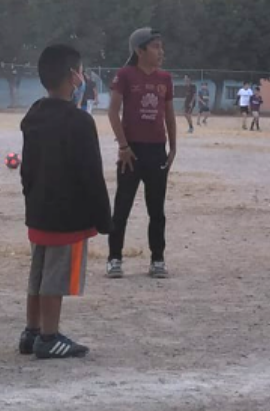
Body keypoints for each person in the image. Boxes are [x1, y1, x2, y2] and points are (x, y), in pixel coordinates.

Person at [18, 44, 113, 359]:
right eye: (82, 72)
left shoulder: (34, 114)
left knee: (39, 273)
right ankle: (49, 337)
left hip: (39, 210)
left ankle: (31, 331)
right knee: (55, 277)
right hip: (66, 216)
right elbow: (91, 175)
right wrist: (104, 219)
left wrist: (30, 199)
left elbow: (27, 169)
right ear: (74, 77)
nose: (83, 78)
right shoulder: (80, 122)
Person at [106, 27, 177, 279]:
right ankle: (114, 258)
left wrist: (173, 147)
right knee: (122, 207)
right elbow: (113, 112)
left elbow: (169, 114)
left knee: (156, 210)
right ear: (139, 50)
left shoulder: (165, 79)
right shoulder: (125, 75)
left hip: (157, 150)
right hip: (131, 151)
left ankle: (157, 259)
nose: (161, 52)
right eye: (156, 46)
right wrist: (123, 147)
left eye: (161, 46)